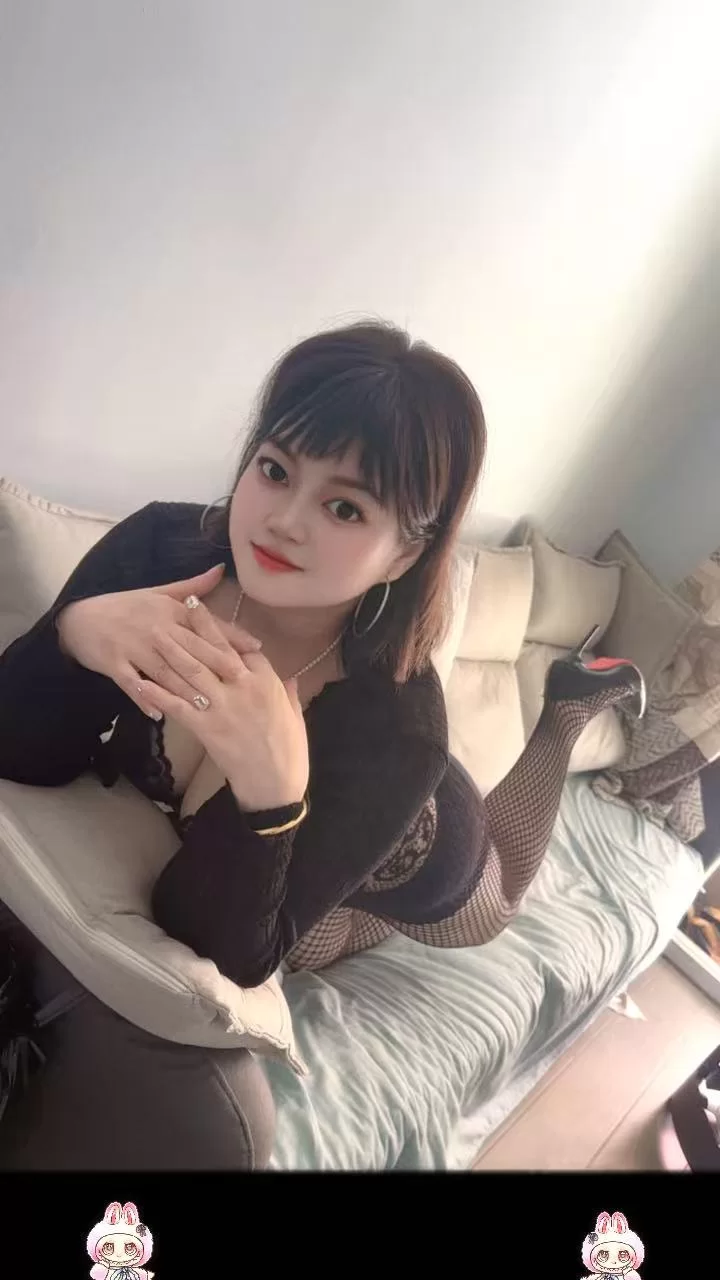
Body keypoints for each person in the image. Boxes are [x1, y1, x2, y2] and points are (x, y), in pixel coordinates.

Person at [0, 321, 645, 992]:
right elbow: (17, 750)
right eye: (275, 470)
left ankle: (569, 704)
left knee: (496, 903)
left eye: (343, 508)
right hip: (344, 822)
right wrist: (74, 634)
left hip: (420, 837)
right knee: (309, 929)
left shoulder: (399, 738)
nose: (284, 520)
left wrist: (273, 799)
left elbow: (228, 955)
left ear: (404, 554)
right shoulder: (156, 551)